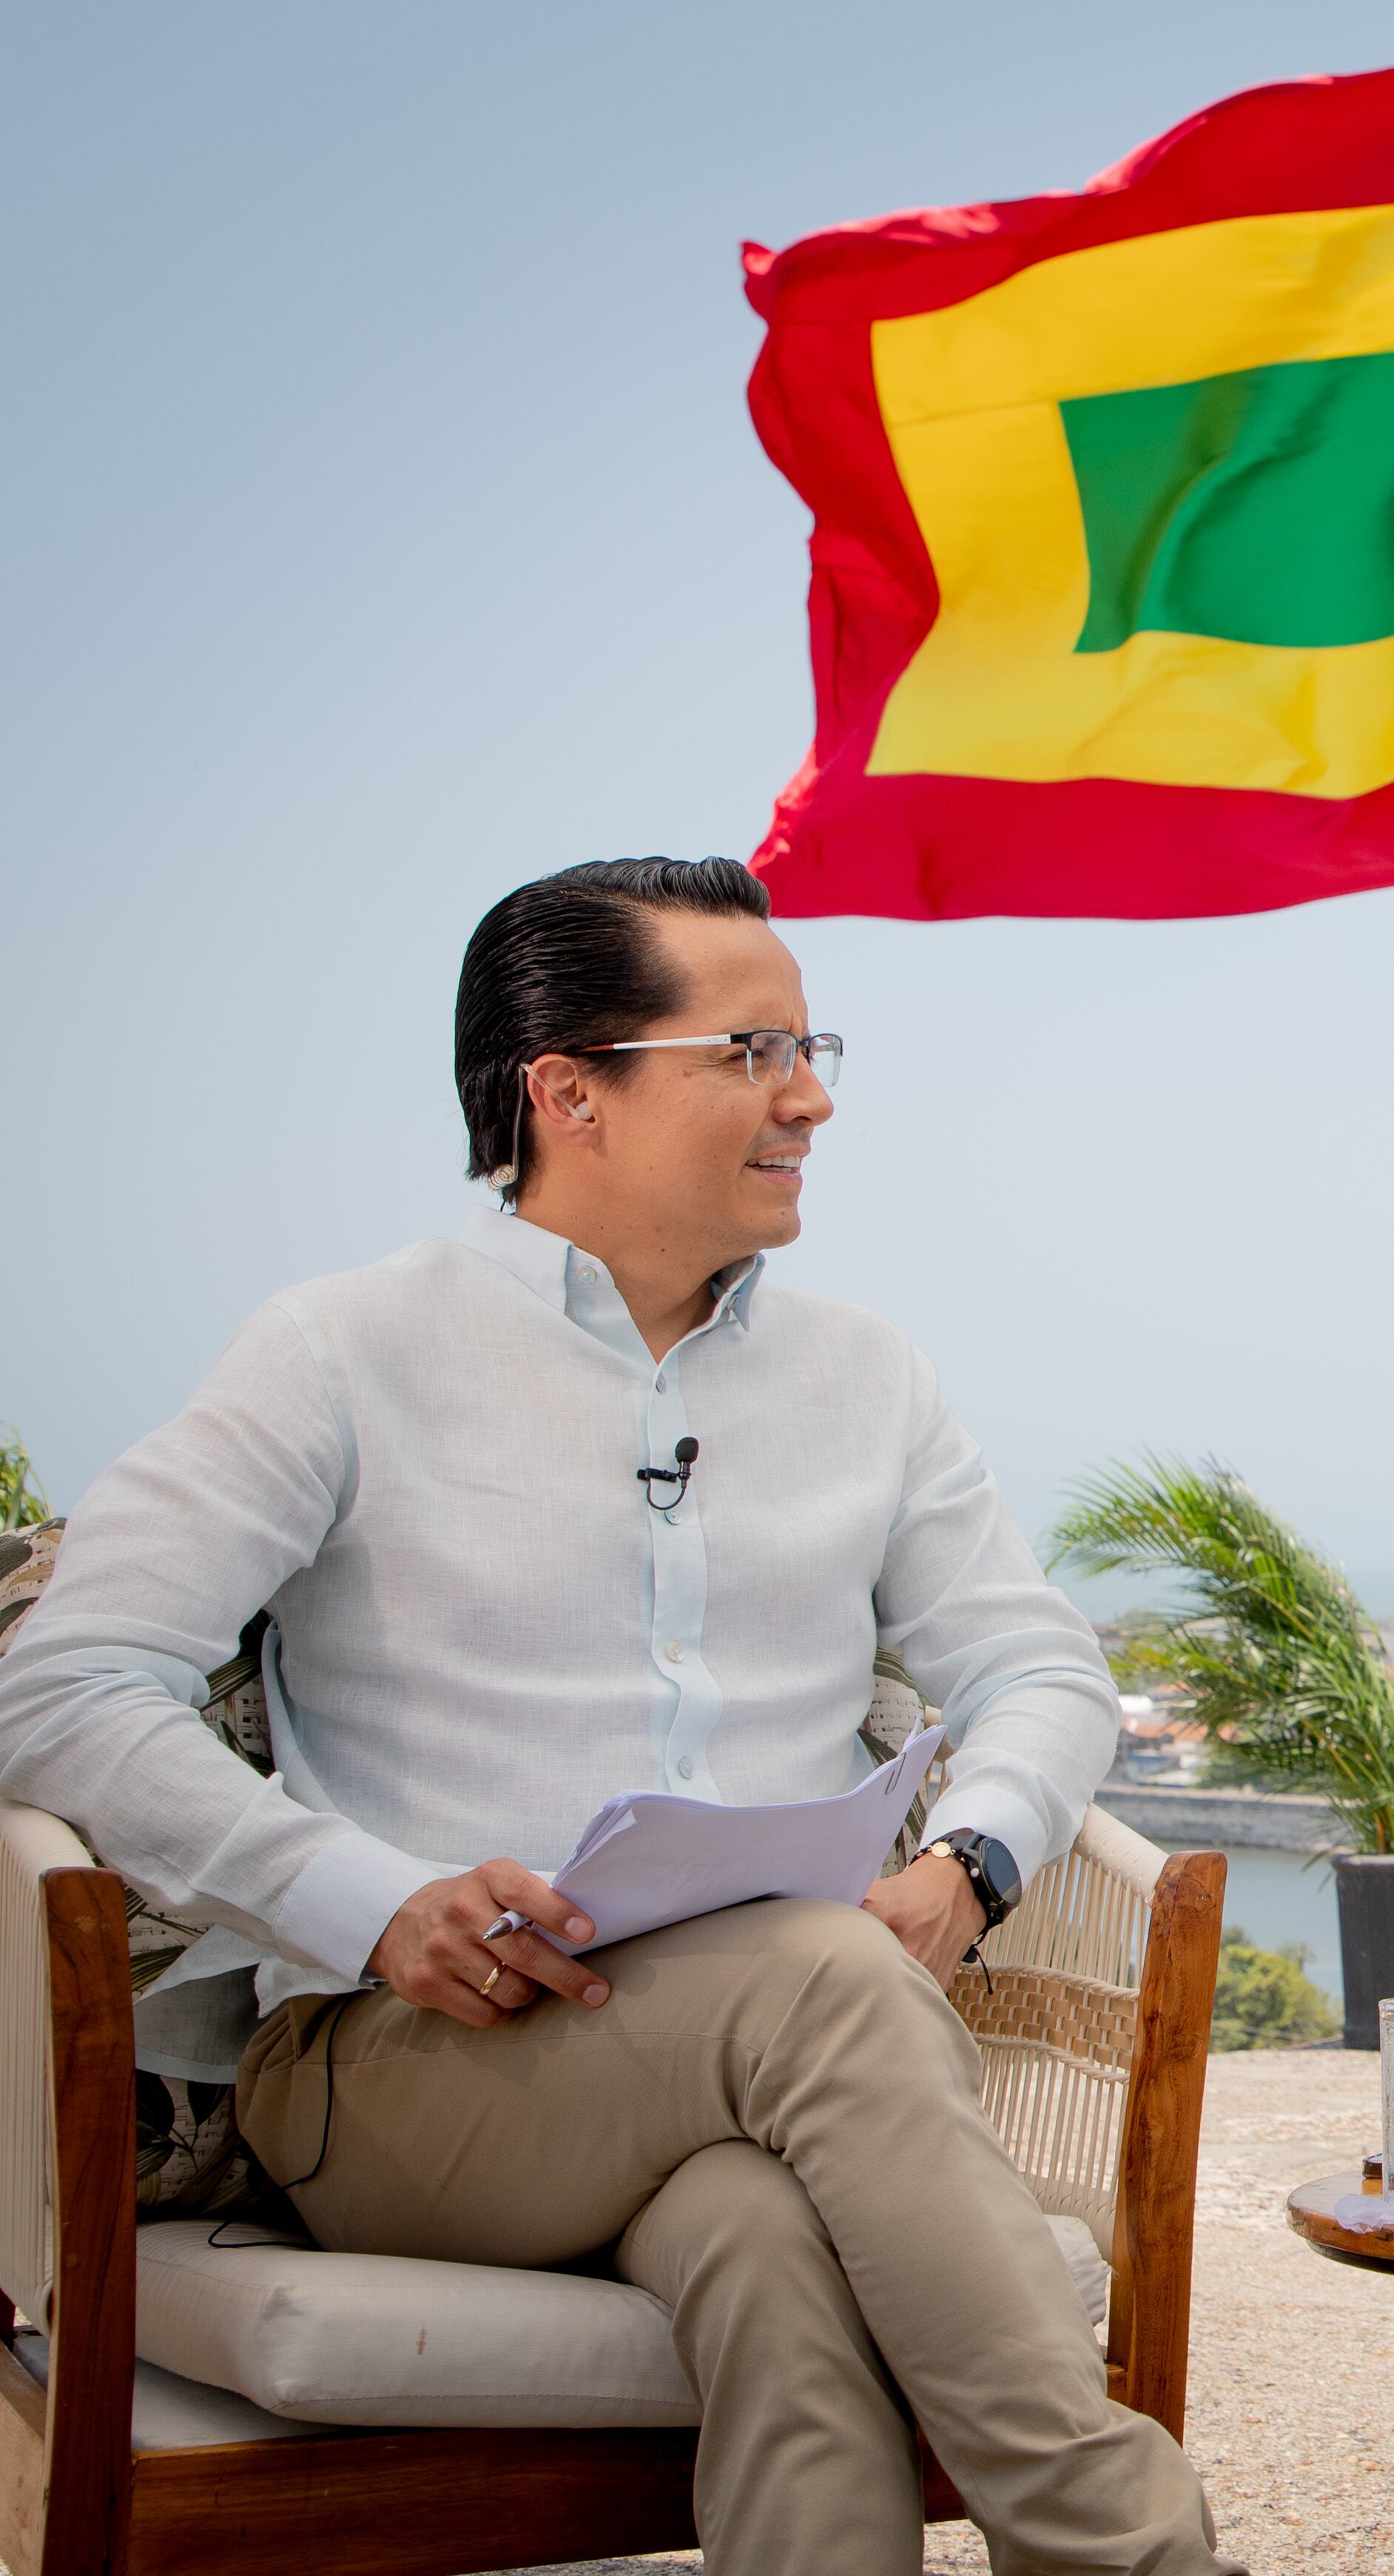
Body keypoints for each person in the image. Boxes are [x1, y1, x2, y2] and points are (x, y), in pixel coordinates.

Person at [0, 858, 1225, 2575]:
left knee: (769, 2250)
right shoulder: (338, 1352)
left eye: (814, 1046)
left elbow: (1040, 1667)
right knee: (824, 1979)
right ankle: (1137, 2558)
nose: (810, 1096)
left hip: (767, 2069)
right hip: (409, 2069)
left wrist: (971, 1862)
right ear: (565, 1091)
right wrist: (365, 1897)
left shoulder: (868, 1378)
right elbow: (58, 1685)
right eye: (750, 1051)